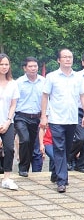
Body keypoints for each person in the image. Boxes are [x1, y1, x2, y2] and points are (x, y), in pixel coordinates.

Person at [40, 48, 84, 193]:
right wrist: (44, 115)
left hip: (72, 118)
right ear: (59, 60)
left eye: (70, 57)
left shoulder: (78, 77)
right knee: (59, 148)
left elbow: (83, 96)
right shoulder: (52, 77)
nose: (68, 59)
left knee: (68, 148)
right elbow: (45, 96)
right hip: (56, 118)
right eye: (65, 57)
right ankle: (62, 180)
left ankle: (56, 173)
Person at [14, 57, 45, 177]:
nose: (33, 68)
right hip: (21, 116)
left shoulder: (43, 81)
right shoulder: (19, 82)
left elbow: (46, 100)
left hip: (36, 117)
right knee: (25, 139)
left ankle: (30, 168)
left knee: (32, 143)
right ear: (25, 68)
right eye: (30, 66)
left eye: (35, 66)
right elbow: (14, 101)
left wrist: (44, 116)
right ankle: (23, 167)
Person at [0, 54, 20, 190]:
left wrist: (8, 121)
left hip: (8, 122)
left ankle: (6, 178)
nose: (4, 67)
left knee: (9, 149)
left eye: (6, 64)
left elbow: (13, 105)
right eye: (1, 64)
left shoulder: (13, 84)